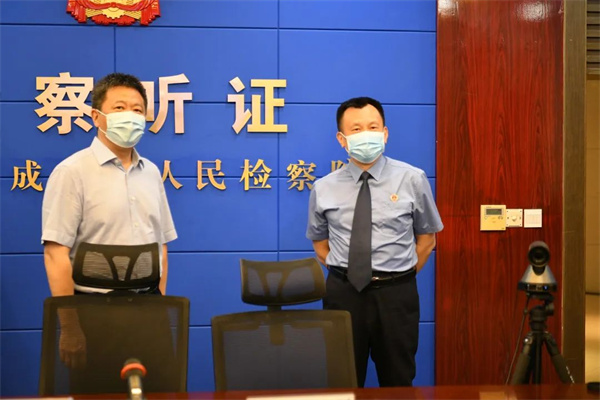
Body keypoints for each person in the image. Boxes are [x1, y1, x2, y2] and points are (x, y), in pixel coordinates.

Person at [41, 73, 178, 390]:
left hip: (149, 312)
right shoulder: (72, 172)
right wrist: (70, 327)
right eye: (119, 108)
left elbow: (161, 246)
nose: (130, 116)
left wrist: (158, 304)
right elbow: (55, 254)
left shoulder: (151, 173)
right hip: (93, 314)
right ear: (96, 116)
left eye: (137, 109)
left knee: (161, 391)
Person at [306, 96, 443, 387]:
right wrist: (349, 274)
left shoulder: (413, 179)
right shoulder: (323, 187)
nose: (366, 134)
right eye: (356, 129)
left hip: (396, 296)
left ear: (385, 133)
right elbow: (320, 245)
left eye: (373, 127)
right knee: (342, 381)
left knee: (398, 380)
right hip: (344, 295)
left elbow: (427, 240)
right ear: (342, 139)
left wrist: (398, 275)